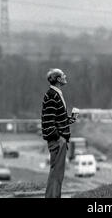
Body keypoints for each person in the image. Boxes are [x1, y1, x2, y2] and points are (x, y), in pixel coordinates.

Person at [41, 68, 76, 198]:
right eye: (62, 75)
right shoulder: (51, 95)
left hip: (60, 139)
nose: (65, 76)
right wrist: (59, 137)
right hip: (57, 140)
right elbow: (49, 120)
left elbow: (56, 117)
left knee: (57, 173)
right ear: (58, 79)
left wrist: (69, 120)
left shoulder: (56, 94)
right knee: (56, 173)